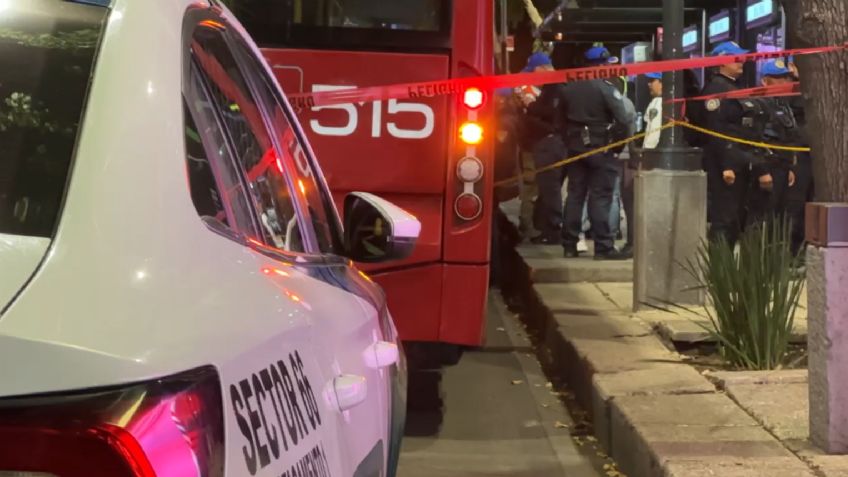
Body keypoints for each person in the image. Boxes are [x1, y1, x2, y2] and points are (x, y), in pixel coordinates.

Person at [558, 46, 634, 260]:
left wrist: (570, 142)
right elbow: (623, 119)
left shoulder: (569, 88)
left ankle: (570, 246)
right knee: (601, 197)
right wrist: (617, 146)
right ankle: (603, 248)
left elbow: (560, 121)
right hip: (601, 149)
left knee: (574, 196)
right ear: (602, 66)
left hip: (575, 150)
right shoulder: (606, 88)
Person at [700, 41, 772, 247]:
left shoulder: (733, 87)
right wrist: (727, 166)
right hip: (726, 164)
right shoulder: (716, 88)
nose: (741, 62)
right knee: (725, 219)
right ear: (722, 61)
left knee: (736, 219)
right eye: (735, 58)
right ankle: (719, 272)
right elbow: (717, 131)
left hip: (742, 160)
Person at [521, 53, 568, 244]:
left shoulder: (553, 87)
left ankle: (553, 231)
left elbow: (547, 111)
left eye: (533, 72)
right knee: (550, 190)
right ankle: (547, 228)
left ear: (542, 70)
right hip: (558, 142)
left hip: (550, 144)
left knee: (550, 190)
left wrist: (530, 107)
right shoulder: (561, 85)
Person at [642, 72, 663, 149]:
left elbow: (654, 132)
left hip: (653, 154)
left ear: (662, 83)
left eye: (652, 80)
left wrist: (646, 152)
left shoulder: (658, 103)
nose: (649, 84)